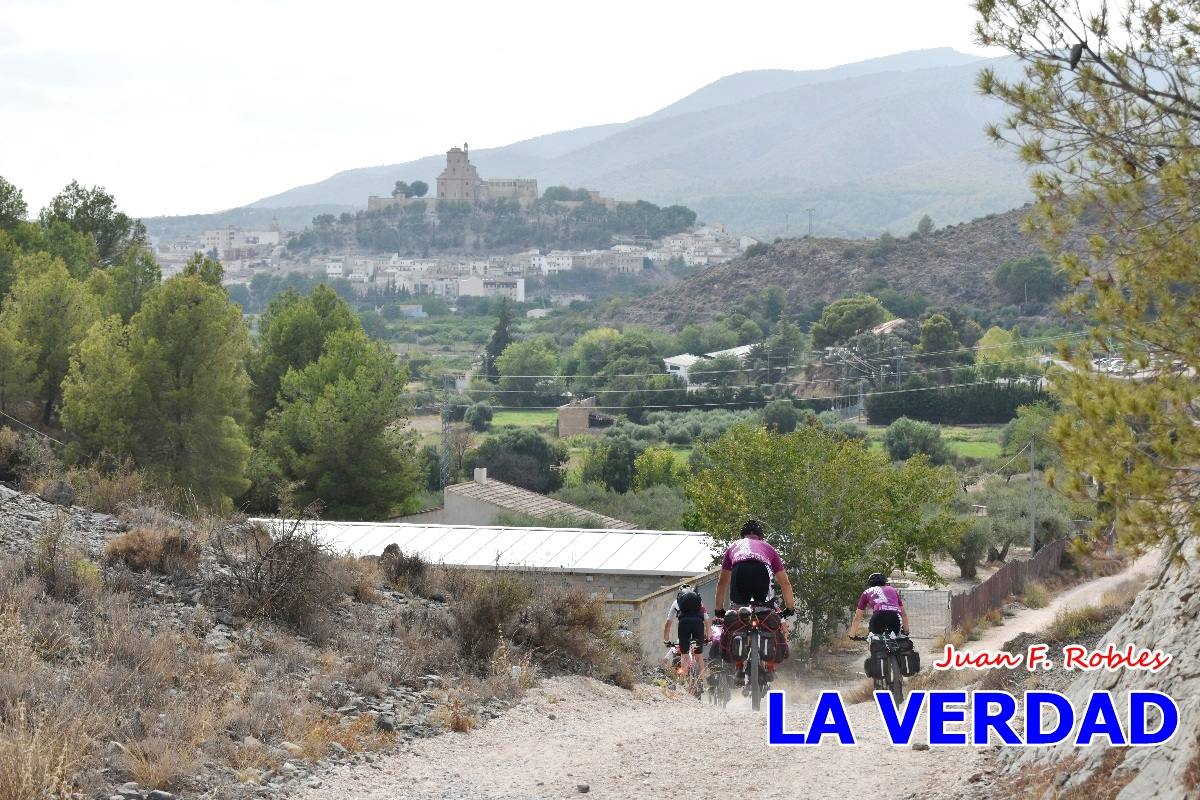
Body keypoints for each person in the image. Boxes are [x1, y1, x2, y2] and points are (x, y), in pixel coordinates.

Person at [712, 519, 796, 617]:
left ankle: (737, 628)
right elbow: (784, 583)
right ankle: (767, 627)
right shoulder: (768, 547)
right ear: (760, 537)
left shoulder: (733, 546)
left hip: (740, 568)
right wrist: (790, 608)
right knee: (766, 612)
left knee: (738, 611)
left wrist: (719, 609)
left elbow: (722, 583)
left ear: (743, 536)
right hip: (762, 569)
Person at [662, 583, 712, 679]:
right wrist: (709, 636)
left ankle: (683, 683)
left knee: (684, 656)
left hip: (684, 625)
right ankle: (702, 681)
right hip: (698, 625)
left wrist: (666, 640)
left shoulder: (676, 602)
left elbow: (668, 624)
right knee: (699, 656)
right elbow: (707, 620)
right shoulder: (699, 602)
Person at [848, 572, 910, 638]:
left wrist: (852, 635)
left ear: (870, 583)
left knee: (874, 640)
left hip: (877, 618)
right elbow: (903, 614)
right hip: (894, 618)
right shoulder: (893, 590)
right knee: (895, 641)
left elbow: (857, 617)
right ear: (884, 582)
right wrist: (906, 631)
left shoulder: (866, 592)